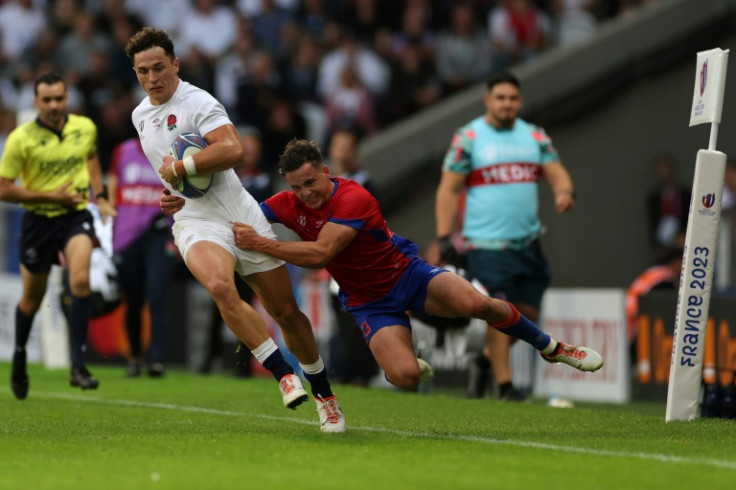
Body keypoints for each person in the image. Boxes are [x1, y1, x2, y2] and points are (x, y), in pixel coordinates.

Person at [221, 139, 602, 397]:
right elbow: (242, 213)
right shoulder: (288, 203)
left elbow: (321, 254)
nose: (306, 193)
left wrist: (262, 243)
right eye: (297, 187)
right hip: (370, 302)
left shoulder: (353, 197)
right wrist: (187, 207)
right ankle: (407, 353)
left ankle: (552, 347)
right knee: (405, 377)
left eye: (310, 182)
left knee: (478, 305)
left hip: (408, 276)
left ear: (325, 170)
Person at [125, 27, 344, 433]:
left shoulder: (197, 101)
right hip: (195, 220)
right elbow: (169, 172)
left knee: (286, 313)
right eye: (143, 71)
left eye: (159, 67)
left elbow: (234, 150)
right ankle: (284, 376)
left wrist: (182, 170)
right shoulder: (140, 115)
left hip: (241, 214)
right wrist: (169, 193)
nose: (152, 78)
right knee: (221, 287)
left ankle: (326, 397)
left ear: (175, 64)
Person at [435, 70, 577, 402]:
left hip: (527, 243)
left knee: (527, 314)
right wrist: (444, 236)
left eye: (512, 98)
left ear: (520, 101)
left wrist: (564, 192)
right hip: (486, 245)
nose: (507, 104)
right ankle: (506, 387)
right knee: (501, 309)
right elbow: (448, 188)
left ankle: (484, 361)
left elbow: (555, 171)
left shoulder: (535, 137)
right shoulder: (469, 137)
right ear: (488, 100)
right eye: (500, 98)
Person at [0, 72, 116, 399]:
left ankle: (78, 366)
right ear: (35, 102)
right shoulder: (20, 139)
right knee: (31, 299)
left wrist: (102, 195)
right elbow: (4, 189)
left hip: (74, 216)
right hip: (38, 222)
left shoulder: (84, 127)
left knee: (80, 281)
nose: (54, 105)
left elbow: (91, 157)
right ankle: (20, 355)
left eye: (59, 99)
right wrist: (51, 196)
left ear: (67, 99)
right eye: (47, 100)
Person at [108, 137, 179, 378]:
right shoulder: (123, 151)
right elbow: (112, 193)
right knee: (133, 300)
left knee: (157, 295)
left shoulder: (172, 152)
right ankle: (135, 357)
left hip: (160, 234)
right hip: (126, 235)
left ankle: (157, 360)